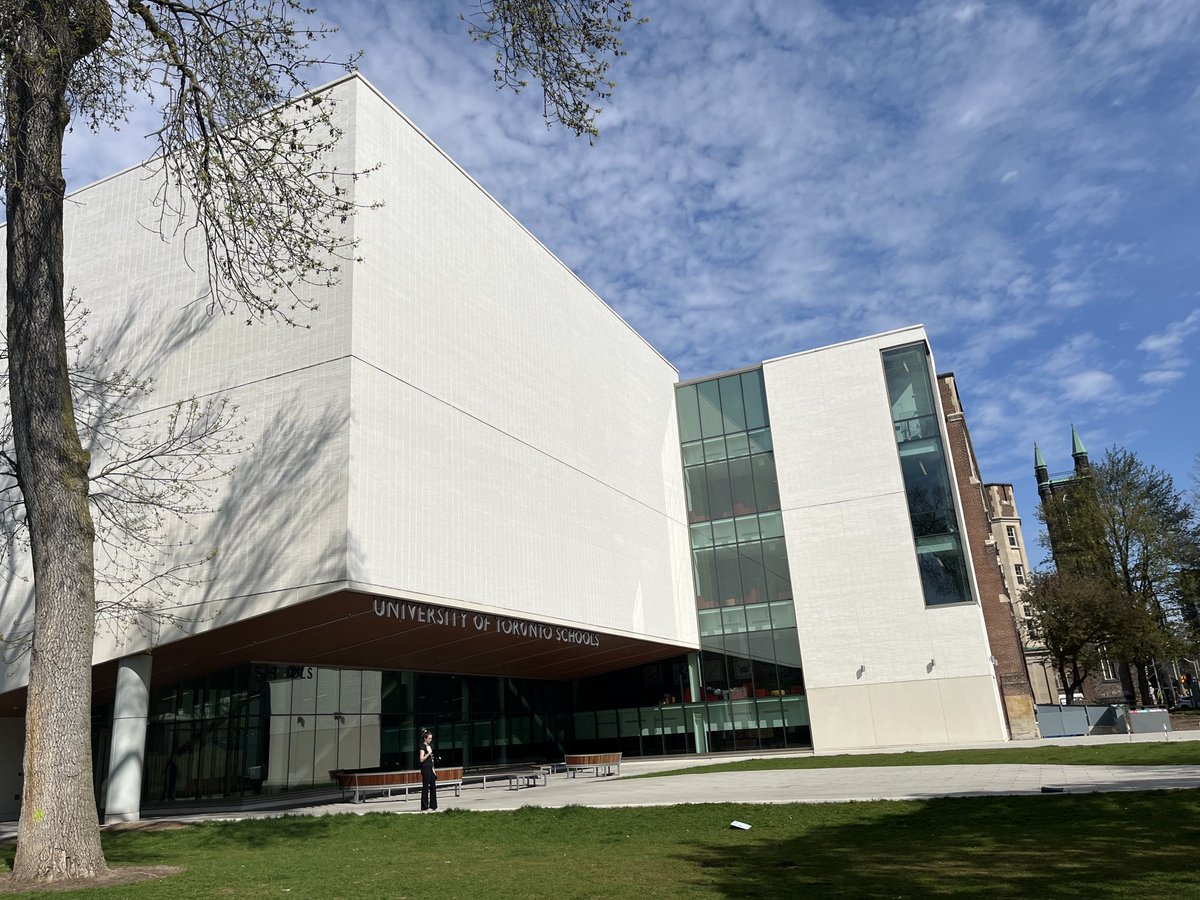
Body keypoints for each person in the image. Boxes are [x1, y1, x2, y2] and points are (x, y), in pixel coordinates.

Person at [418, 728, 438, 811]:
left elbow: (431, 759)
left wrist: (433, 770)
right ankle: (424, 806)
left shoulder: (429, 746)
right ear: (425, 738)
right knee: (425, 787)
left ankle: (433, 805)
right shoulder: (422, 746)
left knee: (433, 786)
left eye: (431, 738)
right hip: (425, 768)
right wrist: (428, 753)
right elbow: (421, 759)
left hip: (430, 768)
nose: (430, 740)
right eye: (429, 738)